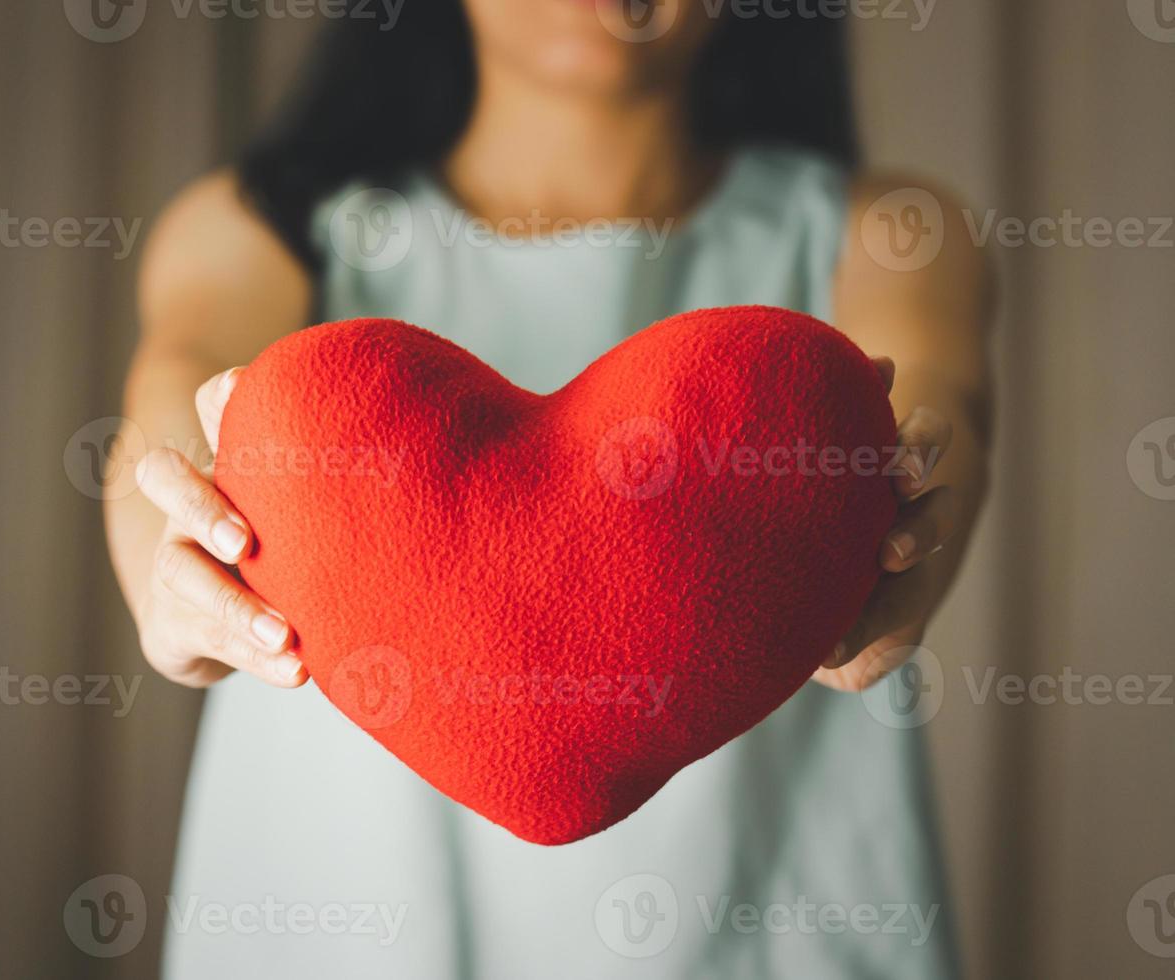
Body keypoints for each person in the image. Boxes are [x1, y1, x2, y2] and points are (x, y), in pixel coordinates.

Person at [105, 2, 990, 975]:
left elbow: (941, 399)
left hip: (776, 914)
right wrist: (172, 567)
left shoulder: (884, 230)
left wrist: (918, 496)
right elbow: (177, 394)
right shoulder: (268, 225)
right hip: (341, 915)